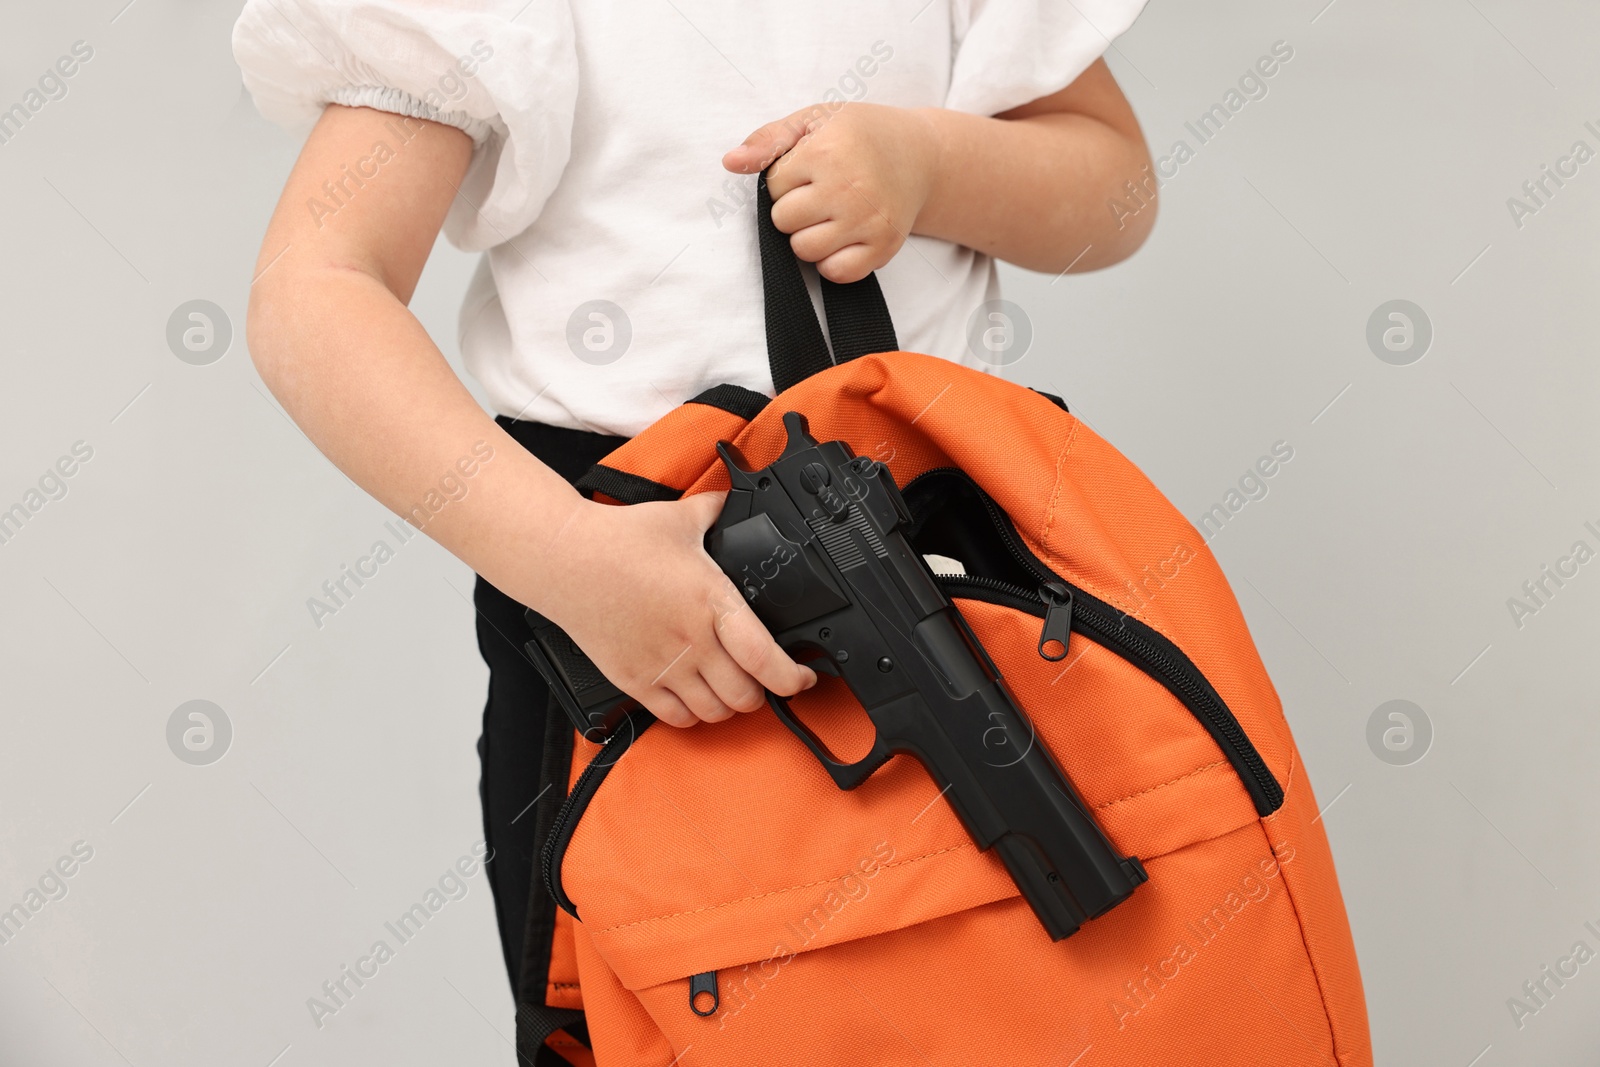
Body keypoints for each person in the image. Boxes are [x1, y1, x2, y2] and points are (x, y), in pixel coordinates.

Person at [233, 0, 1155, 1014]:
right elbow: (311, 286)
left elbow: (1114, 183)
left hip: (940, 546)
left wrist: (934, 165)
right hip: (623, 586)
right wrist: (567, 557)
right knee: (657, 998)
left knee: (1013, 978)